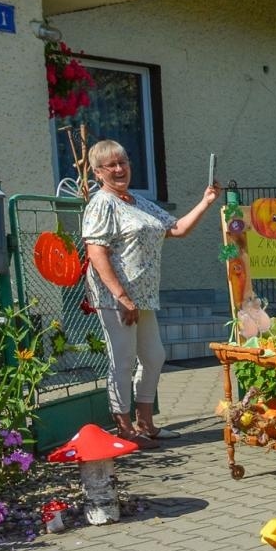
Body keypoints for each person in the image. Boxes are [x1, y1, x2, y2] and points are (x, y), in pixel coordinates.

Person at [81, 139, 219, 443]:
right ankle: (124, 428)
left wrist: (206, 201)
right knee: (123, 359)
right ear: (98, 173)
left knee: (154, 356)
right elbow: (96, 253)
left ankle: (146, 423)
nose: (120, 169)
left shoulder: (137, 201)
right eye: (111, 165)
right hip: (115, 298)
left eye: (124, 162)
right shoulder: (102, 203)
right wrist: (122, 297)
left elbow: (177, 229)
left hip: (142, 297)